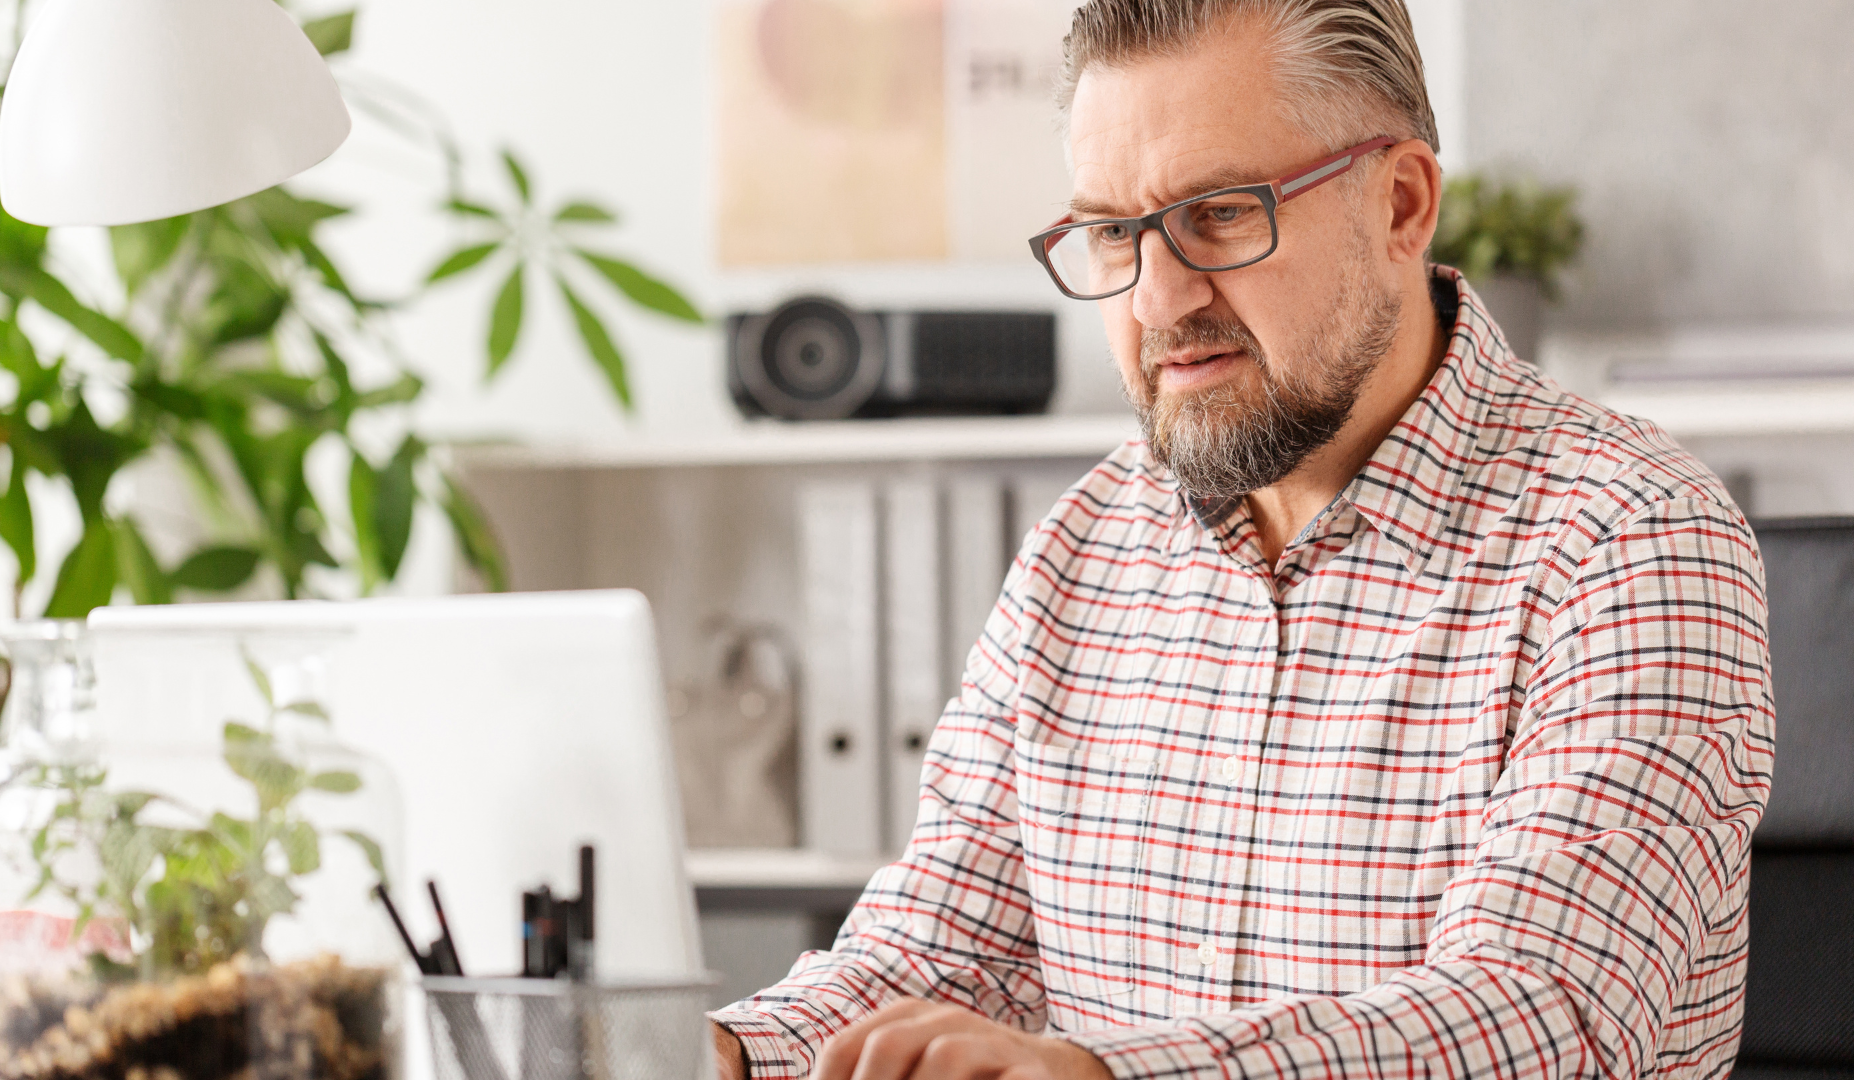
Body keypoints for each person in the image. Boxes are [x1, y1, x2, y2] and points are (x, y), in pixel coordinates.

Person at [712, 1, 1774, 1076]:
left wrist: (1101, 1074)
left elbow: (1540, 1018)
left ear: (1401, 204)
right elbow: (939, 949)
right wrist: (720, 1053)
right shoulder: (1081, 551)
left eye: (1219, 213)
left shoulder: (1631, 539)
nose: (1159, 297)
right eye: (1115, 232)